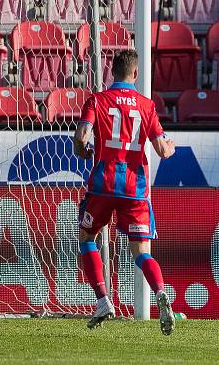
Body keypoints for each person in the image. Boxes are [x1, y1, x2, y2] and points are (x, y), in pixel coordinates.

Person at [72, 50, 176, 334]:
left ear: (112, 73)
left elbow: (80, 138)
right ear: (135, 74)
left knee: (87, 237)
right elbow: (163, 150)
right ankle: (160, 294)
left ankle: (103, 299)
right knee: (141, 252)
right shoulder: (147, 105)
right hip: (135, 187)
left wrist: (83, 150)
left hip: (103, 185)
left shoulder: (97, 100)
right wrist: (171, 145)